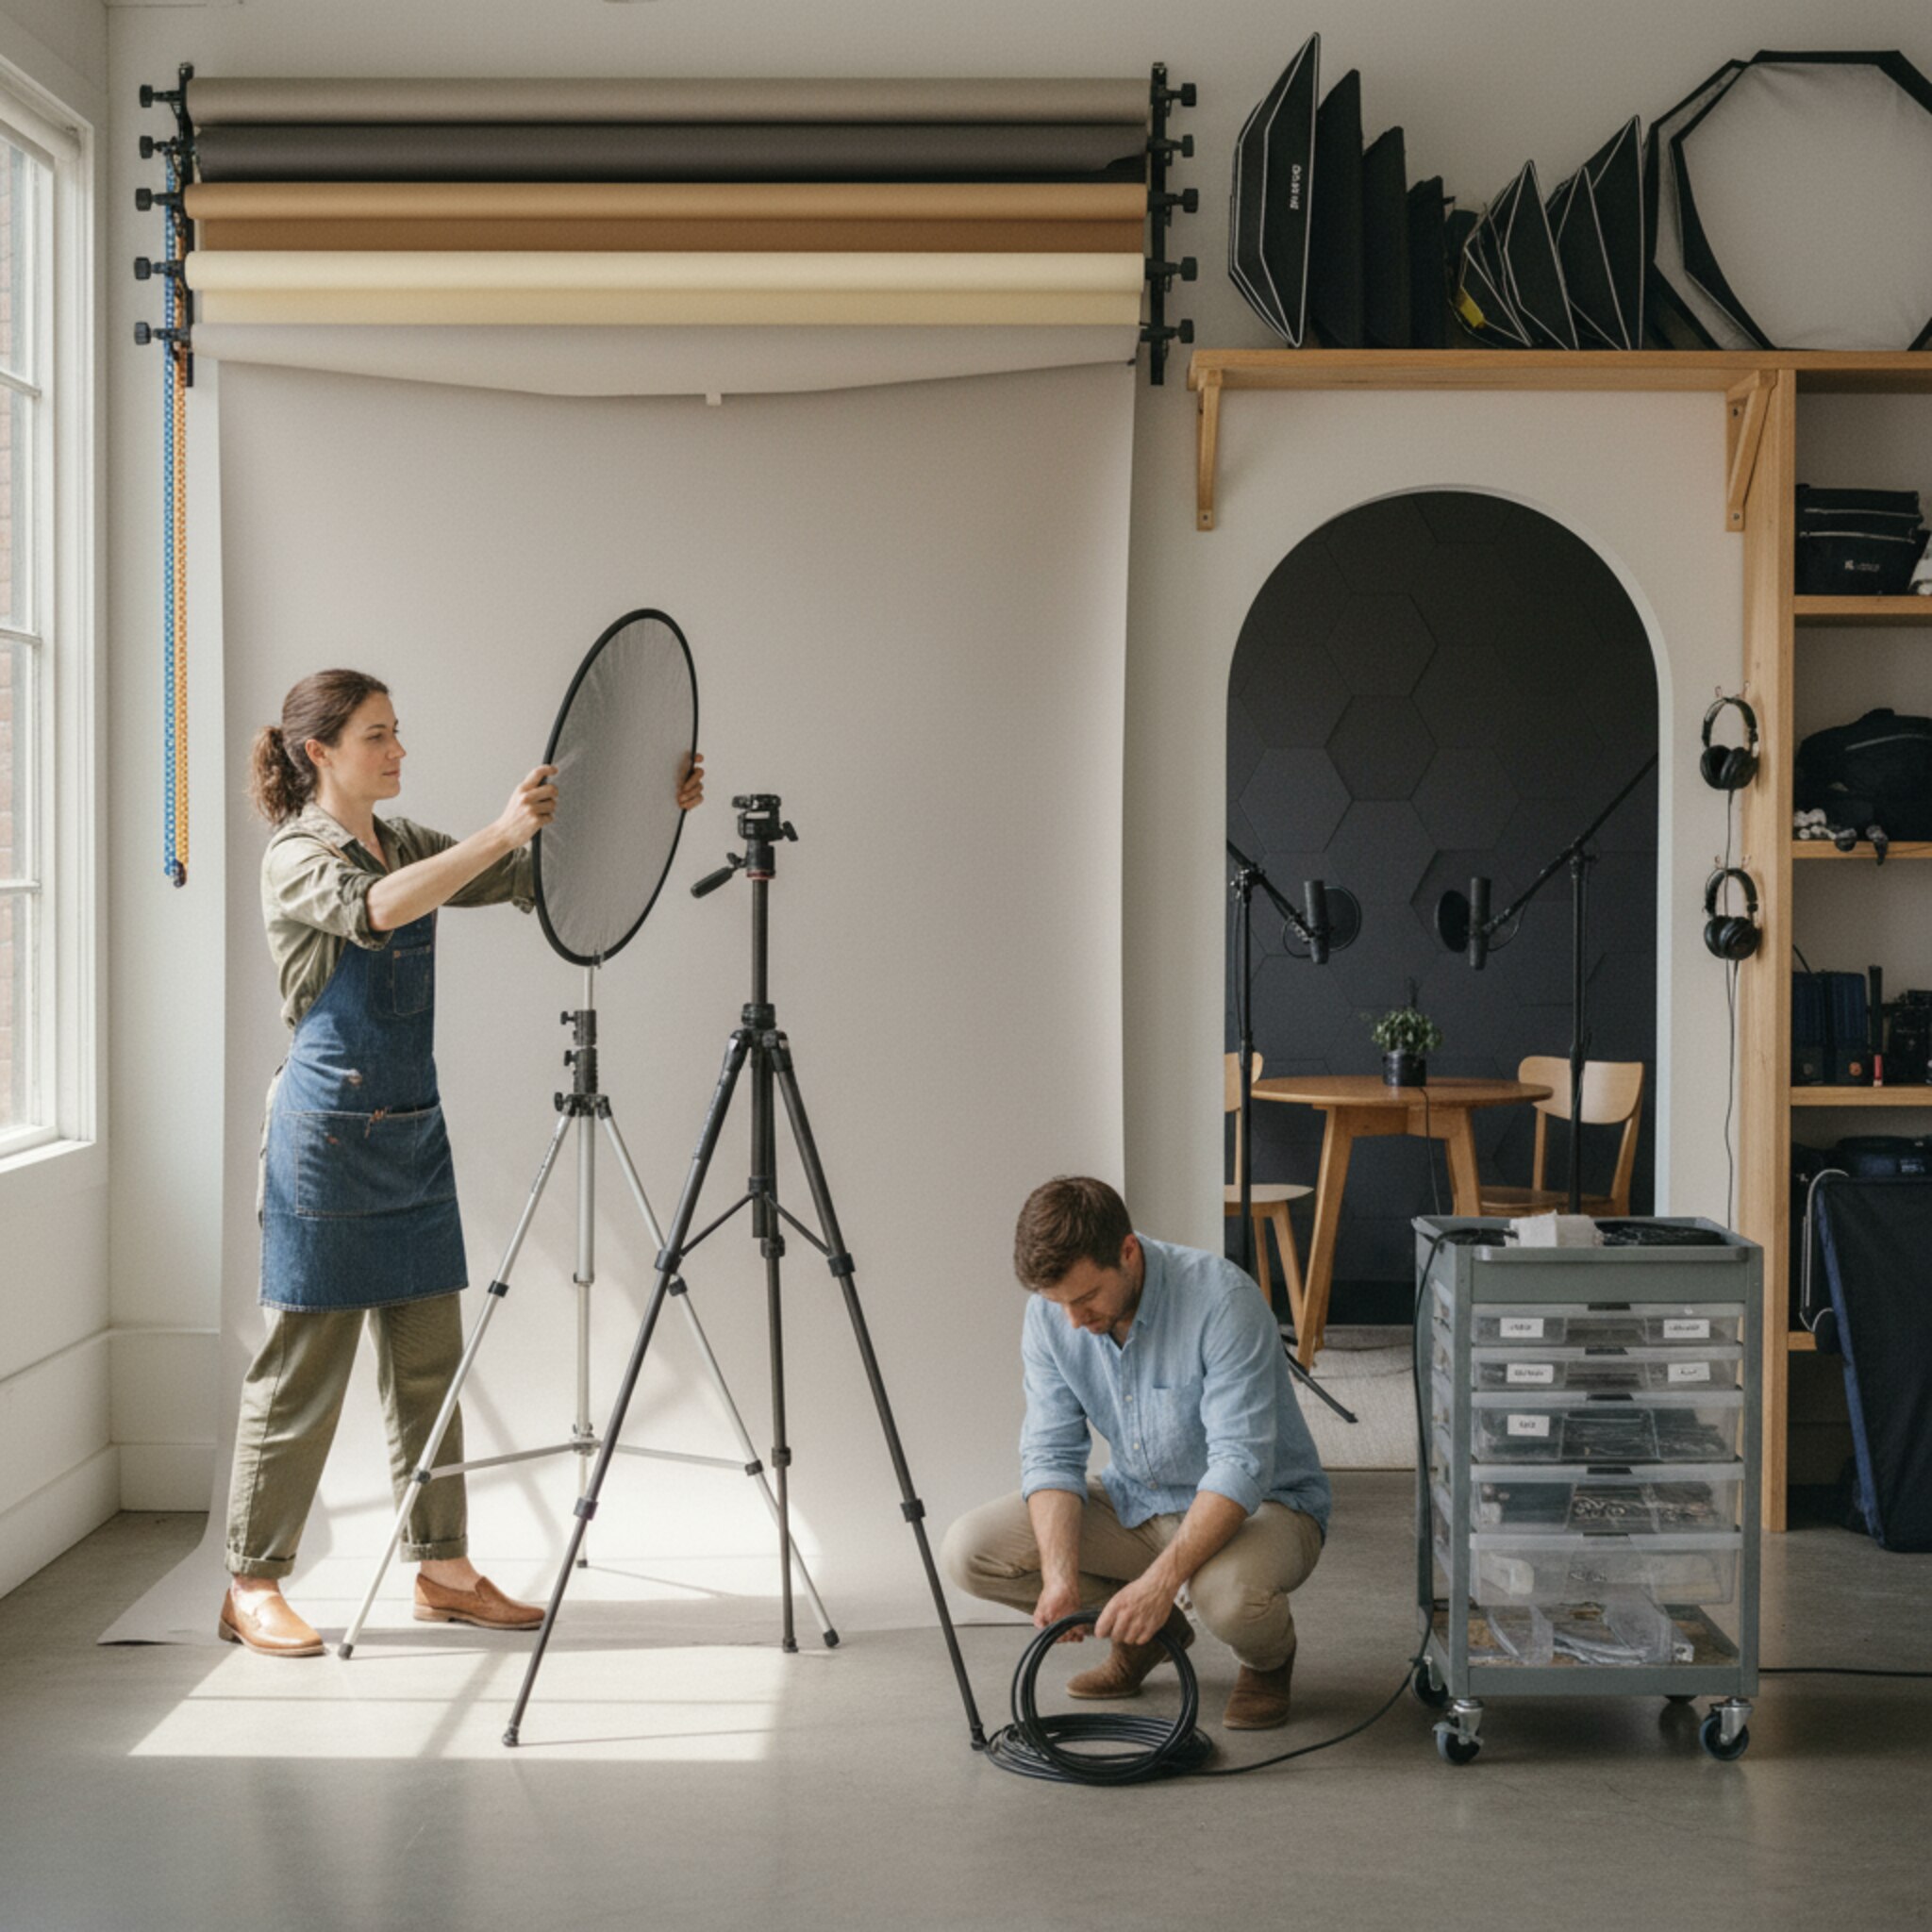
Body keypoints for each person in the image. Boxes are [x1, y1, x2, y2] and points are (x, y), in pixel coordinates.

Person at [219, 668, 704, 1657]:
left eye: (397, 732)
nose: (398, 751)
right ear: (320, 753)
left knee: (429, 1362)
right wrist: (496, 831)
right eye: (376, 736)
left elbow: (534, 880)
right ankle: (251, 1580)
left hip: (410, 1132)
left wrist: (656, 807)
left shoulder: (403, 839)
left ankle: (441, 1568)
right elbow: (375, 911)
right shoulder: (297, 855)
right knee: (300, 1371)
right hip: (325, 1143)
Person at [941, 1175, 1331, 1730]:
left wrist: (1159, 1582)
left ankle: (1267, 1663)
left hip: (1264, 1507)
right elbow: (1052, 1452)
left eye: (1085, 1298)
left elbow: (1239, 1466)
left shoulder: (1223, 1301)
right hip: (1139, 1502)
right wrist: (1060, 1578)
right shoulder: (1053, 1315)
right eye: (1059, 1304)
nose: (1074, 1320)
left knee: (1227, 1596)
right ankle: (1155, 1634)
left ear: (1127, 1252)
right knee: (970, 1550)